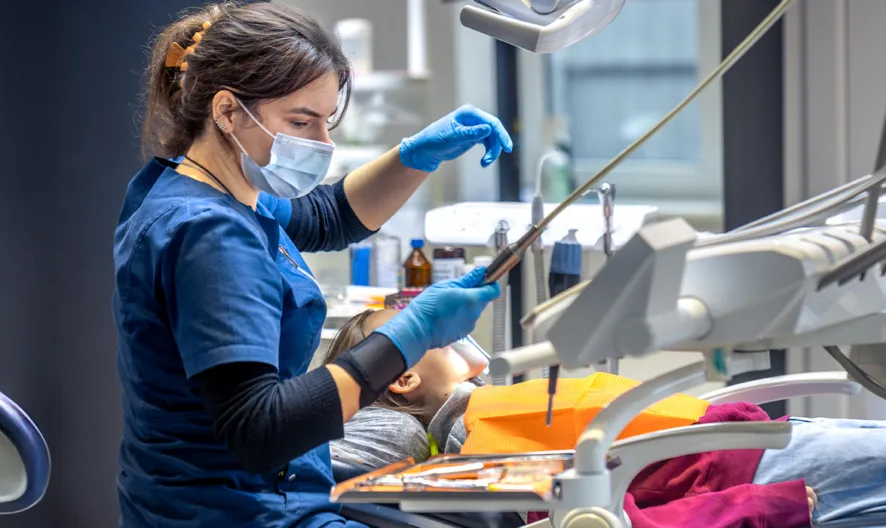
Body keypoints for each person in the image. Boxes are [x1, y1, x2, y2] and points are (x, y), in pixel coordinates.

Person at [113, 3, 510, 527]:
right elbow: (262, 430)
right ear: (228, 111)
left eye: (326, 121)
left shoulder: (212, 187)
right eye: (301, 121)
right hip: (235, 512)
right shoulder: (209, 234)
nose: (322, 143)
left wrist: (415, 157)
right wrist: (413, 333)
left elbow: (328, 216)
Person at [326, 309, 886, 528]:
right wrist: (761, 508)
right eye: (414, 327)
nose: (433, 320)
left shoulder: (491, 407)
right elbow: (619, 519)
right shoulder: (480, 452)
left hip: (758, 444)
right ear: (403, 379)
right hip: (764, 479)